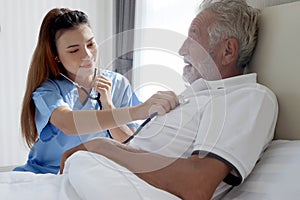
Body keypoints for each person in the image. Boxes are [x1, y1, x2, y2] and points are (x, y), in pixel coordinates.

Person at [60, 0, 278, 199]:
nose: (181, 49)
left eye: (193, 38)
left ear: (228, 51)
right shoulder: (198, 97)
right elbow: (136, 148)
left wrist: (103, 147)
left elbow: (197, 185)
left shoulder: (248, 97)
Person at [14, 8, 179, 174]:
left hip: (94, 172)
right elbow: (68, 123)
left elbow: (128, 143)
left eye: (90, 44)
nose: (87, 55)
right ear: (55, 56)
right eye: (74, 50)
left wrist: (108, 105)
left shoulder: (118, 83)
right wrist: (138, 111)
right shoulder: (48, 90)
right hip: (48, 173)